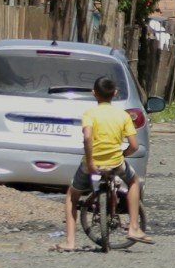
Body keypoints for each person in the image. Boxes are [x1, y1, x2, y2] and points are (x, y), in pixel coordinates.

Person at [61, 75, 150, 249]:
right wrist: (123, 154)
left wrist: (91, 161)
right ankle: (133, 227)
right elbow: (134, 145)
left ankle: (70, 242)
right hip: (116, 162)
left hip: (91, 163)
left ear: (94, 93)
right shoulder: (122, 116)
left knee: (72, 196)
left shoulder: (89, 114)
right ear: (115, 93)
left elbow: (87, 137)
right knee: (133, 182)